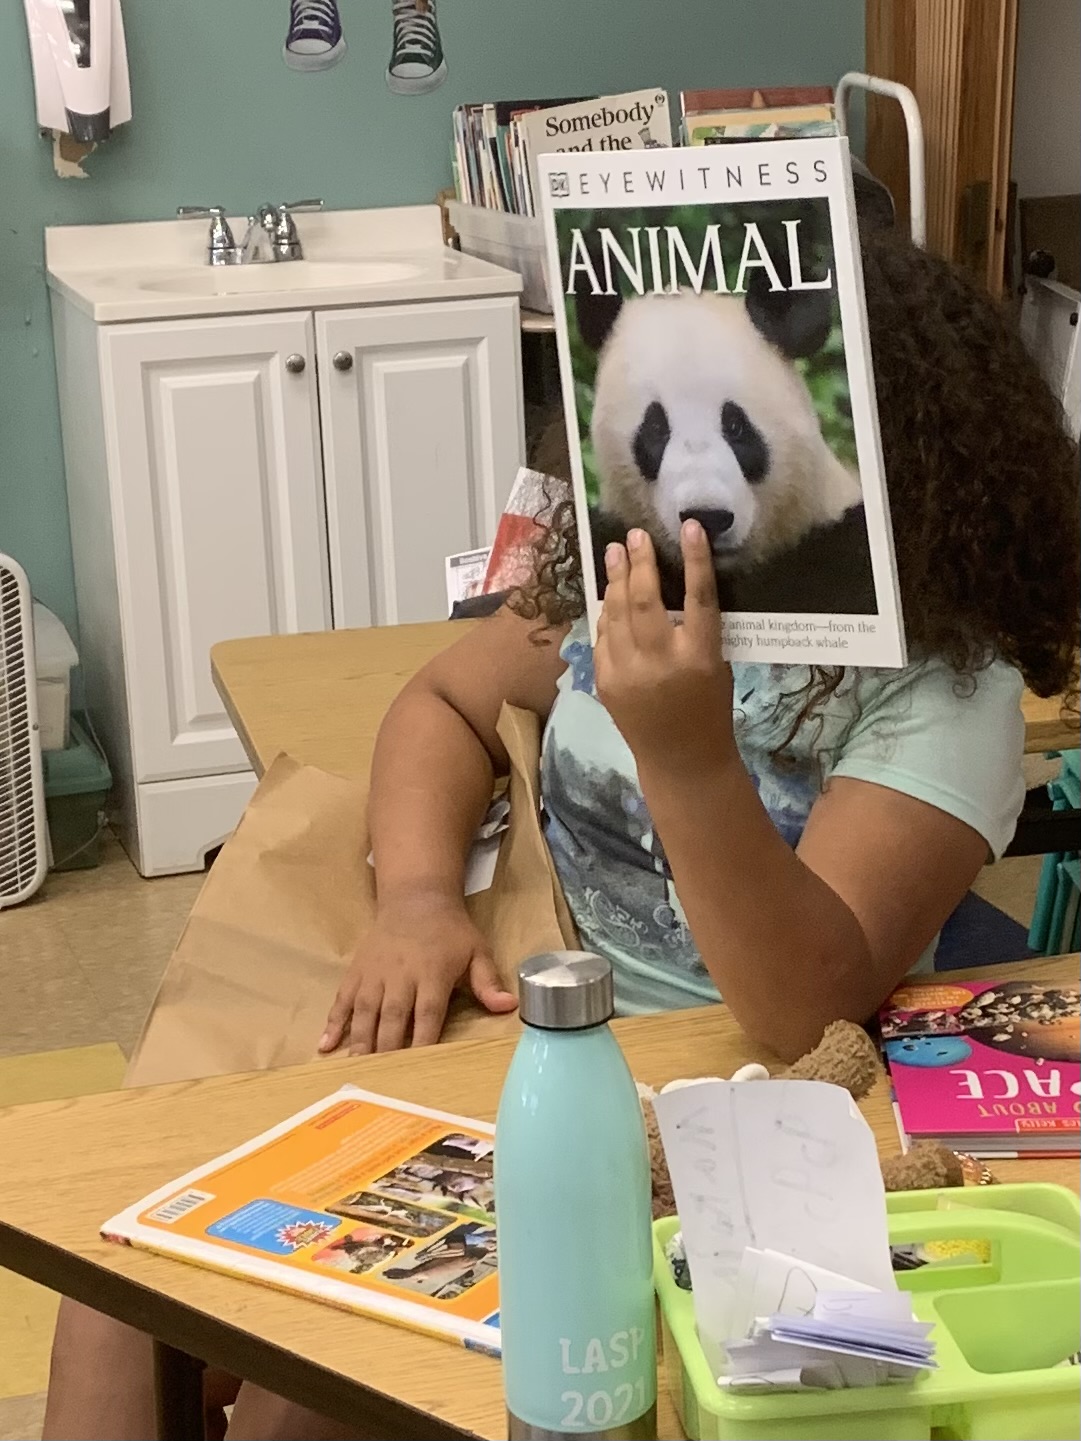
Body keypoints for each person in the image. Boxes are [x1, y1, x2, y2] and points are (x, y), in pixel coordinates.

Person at [43, 227, 1079, 1441]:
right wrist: (418, 896)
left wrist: (687, 752)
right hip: (517, 1023)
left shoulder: (945, 694)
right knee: (104, 1279)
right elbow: (439, 700)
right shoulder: (621, 589)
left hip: (707, 1084)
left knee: (301, 1392)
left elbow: (805, 1003)